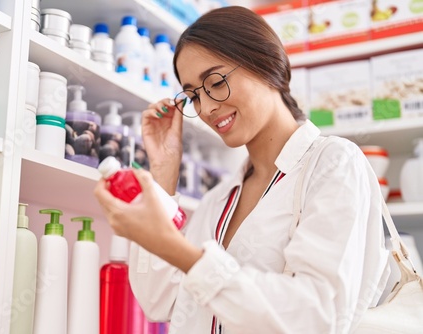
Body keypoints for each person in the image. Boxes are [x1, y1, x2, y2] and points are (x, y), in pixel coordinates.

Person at [94, 6, 391, 334]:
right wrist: (164, 173)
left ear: (265, 63)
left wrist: (178, 250)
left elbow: (316, 316)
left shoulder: (334, 164)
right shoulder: (218, 200)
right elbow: (159, 302)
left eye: (216, 82)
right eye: (193, 96)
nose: (206, 108)